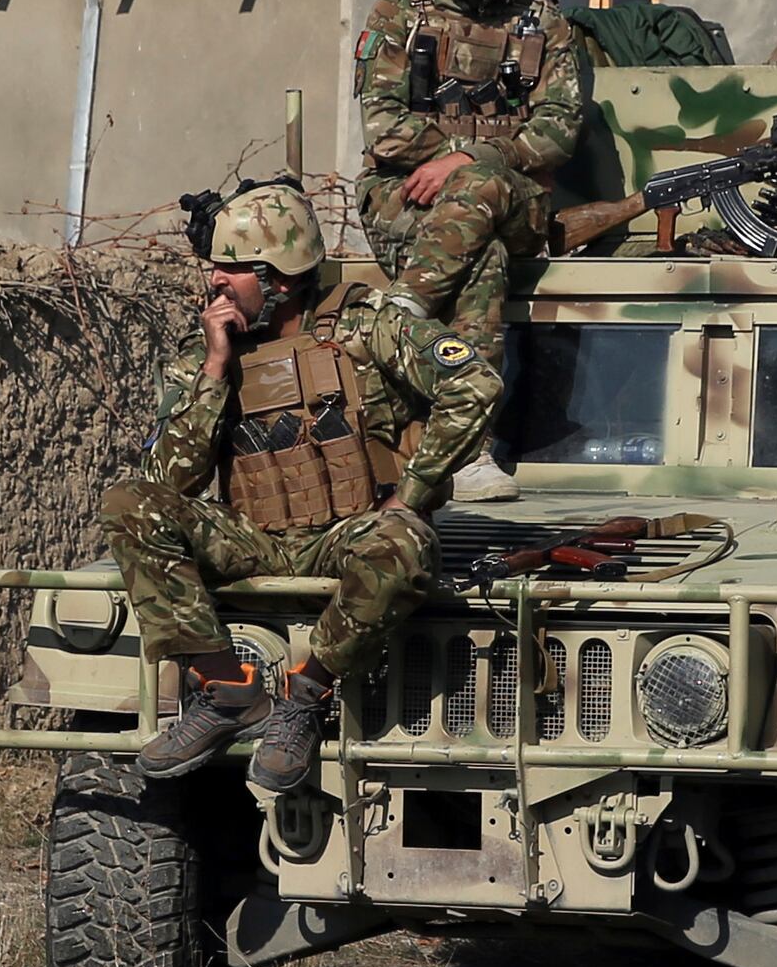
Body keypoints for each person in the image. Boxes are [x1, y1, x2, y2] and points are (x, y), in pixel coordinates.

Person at [97, 180, 501, 796]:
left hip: (348, 533)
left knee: (404, 543)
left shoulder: (369, 325)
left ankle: (304, 695)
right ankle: (228, 691)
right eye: (215, 269)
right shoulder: (204, 352)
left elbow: (475, 385)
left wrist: (412, 493)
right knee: (127, 503)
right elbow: (169, 481)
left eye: (232, 271)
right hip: (253, 538)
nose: (216, 283)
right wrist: (214, 369)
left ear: (280, 278)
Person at [349, 0, 595, 348]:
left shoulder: (544, 23)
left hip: (511, 203)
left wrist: (469, 161)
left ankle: (394, 322)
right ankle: (465, 402)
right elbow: (384, 127)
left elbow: (559, 128)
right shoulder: (401, 8)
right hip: (408, 199)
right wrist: (465, 160)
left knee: (481, 184)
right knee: (487, 262)